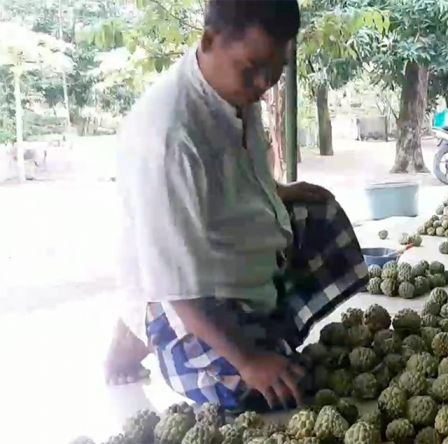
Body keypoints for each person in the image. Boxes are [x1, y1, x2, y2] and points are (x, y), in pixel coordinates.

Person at [105, 0, 368, 411]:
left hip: (217, 252)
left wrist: (277, 192)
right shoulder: (168, 139)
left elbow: (235, 169)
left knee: (321, 215)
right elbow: (180, 288)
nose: (265, 83)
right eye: (253, 68)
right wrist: (249, 361)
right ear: (209, 40)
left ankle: (267, 332)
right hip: (181, 289)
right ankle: (141, 324)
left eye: (275, 67)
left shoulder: (236, 87)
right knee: (252, 393)